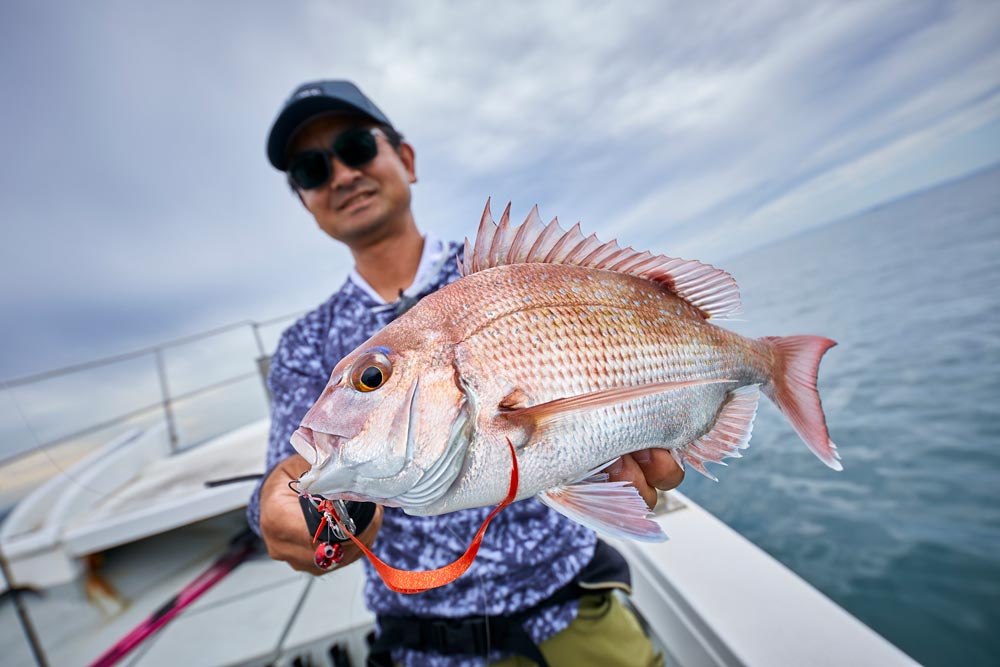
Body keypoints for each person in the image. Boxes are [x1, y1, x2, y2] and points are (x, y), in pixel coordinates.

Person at [247, 79, 686, 667]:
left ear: (405, 158)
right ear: (304, 199)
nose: (341, 174)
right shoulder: (305, 343)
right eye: (310, 169)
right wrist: (291, 513)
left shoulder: (513, 272)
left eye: (355, 147)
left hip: (576, 612)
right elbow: (290, 468)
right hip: (423, 647)